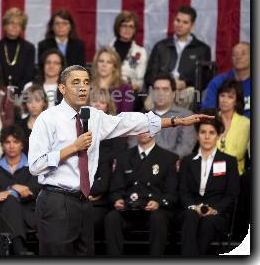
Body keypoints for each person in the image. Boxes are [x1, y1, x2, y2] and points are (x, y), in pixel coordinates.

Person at [28, 64, 212, 256]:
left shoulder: (93, 116)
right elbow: (35, 165)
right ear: (62, 88)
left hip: (83, 203)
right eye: (75, 82)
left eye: (86, 82)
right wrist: (73, 148)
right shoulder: (47, 119)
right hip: (56, 200)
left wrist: (174, 122)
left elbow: (128, 122)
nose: (82, 87)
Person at [104, 132, 178, 256]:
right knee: (112, 217)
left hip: (154, 209)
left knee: (158, 218)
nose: (144, 133)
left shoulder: (169, 158)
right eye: (141, 129)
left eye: (148, 129)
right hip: (128, 209)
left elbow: (172, 194)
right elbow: (115, 190)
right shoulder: (123, 157)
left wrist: (158, 202)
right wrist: (117, 200)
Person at [179, 113, 240, 255]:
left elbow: (232, 194)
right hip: (191, 209)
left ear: (218, 135)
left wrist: (215, 209)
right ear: (197, 135)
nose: (207, 137)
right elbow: (183, 191)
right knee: (190, 215)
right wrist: (194, 207)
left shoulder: (229, 161)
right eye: (203, 132)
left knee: (209, 221)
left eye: (211, 133)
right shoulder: (187, 161)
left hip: (217, 213)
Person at [0, 125, 39, 255]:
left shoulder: (33, 166)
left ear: (22, 145)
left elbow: (32, 193)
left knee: (9, 202)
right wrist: (15, 189)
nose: (11, 146)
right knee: (9, 203)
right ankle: (20, 249)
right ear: (2, 145)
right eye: (7, 142)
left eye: (16, 142)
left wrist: (8, 191)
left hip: (27, 215)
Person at [144, 5, 211, 108]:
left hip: (186, 89)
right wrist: (167, 83)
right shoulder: (161, 46)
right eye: (177, 20)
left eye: (185, 22)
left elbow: (205, 79)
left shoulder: (202, 49)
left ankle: (177, 122)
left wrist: (185, 83)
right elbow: (149, 75)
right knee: (149, 103)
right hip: (161, 87)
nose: (180, 25)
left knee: (191, 94)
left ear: (192, 26)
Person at [87, 88, 127, 241]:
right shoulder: (77, 129)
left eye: (102, 102)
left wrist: (97, 192)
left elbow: (116, 170)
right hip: (80, 194)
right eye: (94, 101)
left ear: (108, 107)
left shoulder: (116, 133)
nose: (97, 106)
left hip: (105, 198)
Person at [148, 73, 197, 158]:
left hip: (173, 167)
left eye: (165, 89)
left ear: (173, 93)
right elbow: (134, 146)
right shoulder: (143, 117)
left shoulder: (186, 116)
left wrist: (166, 163)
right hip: (144, 167)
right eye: (156, 89)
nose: (160, 93)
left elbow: (186, 147)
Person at [0, 7, 35, 93]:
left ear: (22, 28)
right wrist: (2, 90)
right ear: (5, 26)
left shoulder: (29, 48)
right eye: (11, 23)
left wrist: (17, 91)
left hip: (22, 92)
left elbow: (29, 74)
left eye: (19, 24)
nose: (15, 26)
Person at [202, 42, 250, 118]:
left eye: (243, 54)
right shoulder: (217, 83)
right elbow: (209, 113)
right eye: (235, 54)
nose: (238, 57)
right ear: (231, 58)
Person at [216, 79, 250, 176]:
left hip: (234, 174)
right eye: (222, 95)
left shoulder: (245, 123)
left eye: (230, 97)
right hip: (210, 173)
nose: (224, 100)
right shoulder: (211, 119)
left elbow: (238, 153)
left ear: (236, 101)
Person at [110, 11, 148, 91]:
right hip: (108, 90)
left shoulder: (141, 52)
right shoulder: (107, 50)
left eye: (131, 26)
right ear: (118, 27)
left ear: (135, 30)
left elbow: (140, 81)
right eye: (124, 26)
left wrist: (128, 87)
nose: (127, 29)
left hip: (130, 93)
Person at [91, 46, 134, 113]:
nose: (104, 65)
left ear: (115, 67)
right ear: (96, 64)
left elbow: (125, 117)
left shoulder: (125, 89)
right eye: (101, 61)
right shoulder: (88, 86)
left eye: (109, 62)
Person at [17, 85, 48, 156]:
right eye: (29, 101)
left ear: (44, 102)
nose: (33, 105)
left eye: (37, 100)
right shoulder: (18, 126)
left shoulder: (51, 124)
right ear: (25, 104)